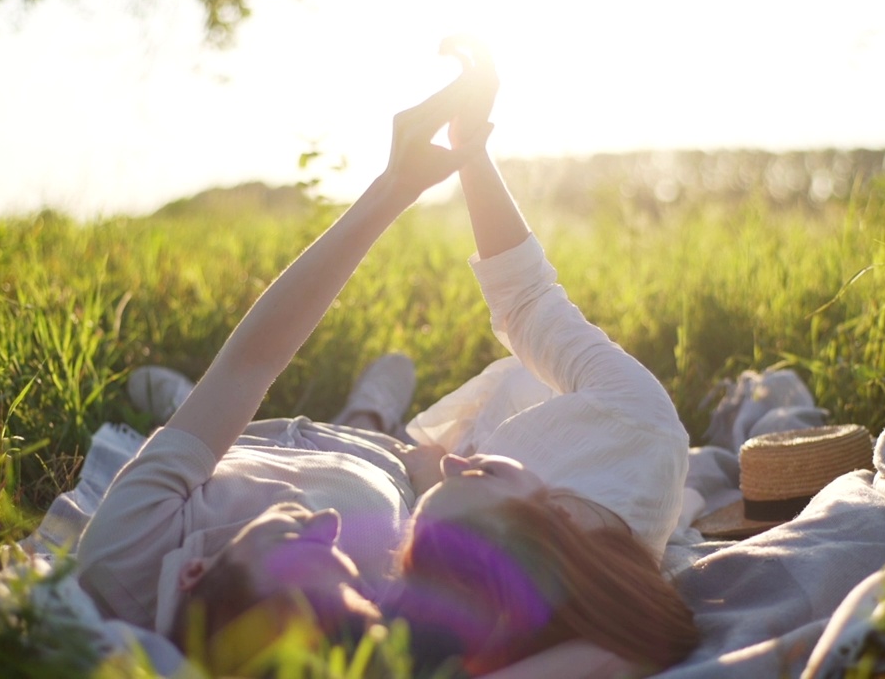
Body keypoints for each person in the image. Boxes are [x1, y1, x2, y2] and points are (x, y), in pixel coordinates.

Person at [75, 61, 495, 676]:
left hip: (242, 436)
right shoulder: (371, 601)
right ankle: (366, 410)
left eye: (301, 548)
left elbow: (250, 364)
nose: (323, 525)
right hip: (376, 451)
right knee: (393, 374)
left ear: (196, 575)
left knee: (158, 393)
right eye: (342, 562)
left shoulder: (121, 556)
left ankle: (181, 404)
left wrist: (393, 188)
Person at [386, 41, 699, 677]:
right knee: (403, 441)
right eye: (475, 477)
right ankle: (373, 412)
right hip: (512, 395)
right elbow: (529, 302)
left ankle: (371, 413)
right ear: (553, 513)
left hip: (434, 460)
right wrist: (470, 151)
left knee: (388, 446)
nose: (458, 466)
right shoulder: (637, 427)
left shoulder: (539, 583)